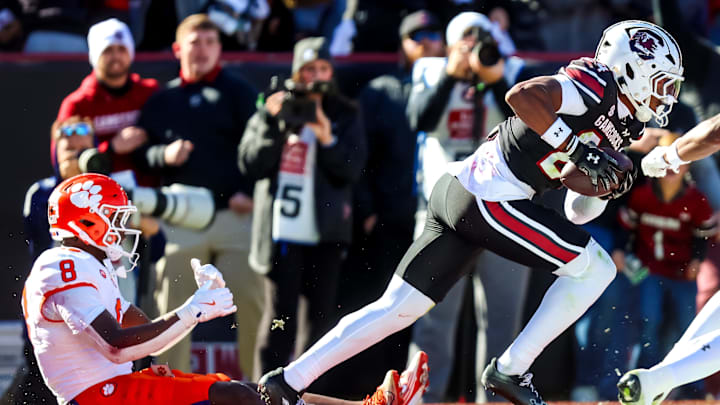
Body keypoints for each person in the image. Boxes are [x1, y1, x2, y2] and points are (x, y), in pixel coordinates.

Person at [257, 19, 683, 405]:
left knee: (396, 308)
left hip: (464, 191)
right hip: (488, 195)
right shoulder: (595, 82)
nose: (666, 94)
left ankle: (286, 381)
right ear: (631, 68)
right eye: (661, 82)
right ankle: (511, 370)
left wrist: (608, 184)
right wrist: (577, 150)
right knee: (596, 269)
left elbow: (576, 211)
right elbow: (523, 96)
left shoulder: (627, 124)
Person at [21, 172, 430, 405]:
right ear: (85, 222)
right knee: (240, 398)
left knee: (254, 392)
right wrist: (192, 311)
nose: (123, 227)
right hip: (97, 398)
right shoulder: (61, 265)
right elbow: (116, 346)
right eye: (113, 216)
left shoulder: (88, 265)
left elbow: (137, 329)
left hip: (117, 387)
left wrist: (170, 336)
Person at [132, 13, 264, 377]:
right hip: (181, 216)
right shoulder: (163, 100)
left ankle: (256, 389)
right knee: (171, 303)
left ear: (220, 48)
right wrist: (164, 155)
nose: (203, 50)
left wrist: (248, 191)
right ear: (178, 48)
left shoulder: (239, 92)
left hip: (234, 215)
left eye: (210, 42)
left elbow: (264, 148)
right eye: (195, 42)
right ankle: (170, 390)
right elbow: (143, 152)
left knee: (253, 299)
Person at [238, 36, 366, 378]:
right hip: (280, 233)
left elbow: (352, 170)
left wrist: (327, 137)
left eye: (323, 68)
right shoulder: (273, 107)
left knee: (320, 319)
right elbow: (250, 164)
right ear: (296, 73)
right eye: (308, 69)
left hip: (324, 233)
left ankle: (308, 392)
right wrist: (271, 122)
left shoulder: (345, 112)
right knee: (280, 317)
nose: (316, 77)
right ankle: (266, 391)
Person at [615, 113, 720, 405]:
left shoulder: (695, 199)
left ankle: (661, 378)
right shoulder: (644, 195)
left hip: (680, 272)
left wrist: (671, 154)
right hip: (652, 270)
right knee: (650, 320)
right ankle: (660, 378)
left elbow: (713, 132)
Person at [55, 18, 159, 187]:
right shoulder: (76, 104)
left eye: (121, 49)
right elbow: (66, 165)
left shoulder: (150, 92)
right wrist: (111, 148)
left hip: (150, 198)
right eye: (108, 50)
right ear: (95, 55)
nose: (116, 56)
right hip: (99, 200)